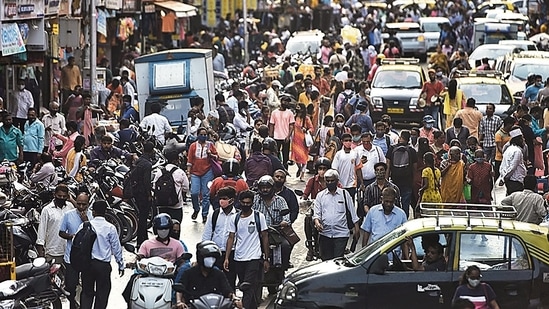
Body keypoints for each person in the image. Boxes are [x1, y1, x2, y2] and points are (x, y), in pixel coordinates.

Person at [224, 190, 270, 309]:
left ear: (252, 203)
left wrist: (266, 257)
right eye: (243, 203)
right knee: (246, 287)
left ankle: (244, 307)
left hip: (254, 257)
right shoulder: (235, 218)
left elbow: (265, 236)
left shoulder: (259, 217)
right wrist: (227, 258)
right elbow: (231, 238)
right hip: (239, 257)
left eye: (248, 203)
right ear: (240, 202)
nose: (246, 205)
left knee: (247, 285)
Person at [80, 200, 124, 309]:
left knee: (86, 292)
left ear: (93, 212)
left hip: (87, 265)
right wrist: (120, 264)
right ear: (105, 211)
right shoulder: (110, 228)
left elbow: (77, 244)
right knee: (102, 294)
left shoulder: (84, 226)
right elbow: (116, 248)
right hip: (103, 266)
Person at [175, 241, 239, 309]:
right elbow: (180, 290)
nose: (211, 260)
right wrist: (179, 302)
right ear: (200, 257)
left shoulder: (219, 274)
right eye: (208, 257)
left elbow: (228, 290)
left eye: (213, 257)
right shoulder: (189, 273)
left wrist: (235, 299)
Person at [313, 169, 359, 260]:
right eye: (328, 181)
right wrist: (317, 223)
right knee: (325, 261)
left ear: (337, 181)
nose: (330, 183)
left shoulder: (345, 194)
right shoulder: (320, 196)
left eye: (332, 180)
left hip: (341, 234)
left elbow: (353, 213)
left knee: (337, 261)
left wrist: (356, 229)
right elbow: (317, 214)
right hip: (325, 234)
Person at [59, 192, 92, 309]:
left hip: (87, 258)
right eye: (79, 204)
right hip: (71, 257)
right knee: (71, 285)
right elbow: (61, 232)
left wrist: (86, 221)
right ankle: (73, 305)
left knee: (87, 287)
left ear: (88, 204)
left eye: (84, 204)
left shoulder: (92, 216)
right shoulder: (68, 215)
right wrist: (72, 237)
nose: (81, 207)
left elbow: (94, 235)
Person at [202, 186, 238, 289]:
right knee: (212, 279)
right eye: (220, 198)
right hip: (215, 252)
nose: (222, 201)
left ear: (232, 200)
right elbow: (207, 234)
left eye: (225, 198)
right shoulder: (214, 214)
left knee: (230, 280)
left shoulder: (237, 215)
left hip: (232, 253)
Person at [37, 184, 75, 262]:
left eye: (64, 196)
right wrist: (41, 254)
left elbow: (82, 210)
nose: (61, 198)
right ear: (54, 195)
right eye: (59, 196)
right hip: (53, 251)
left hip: (69, 251)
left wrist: (72, 200)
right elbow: (41, 231)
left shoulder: (70, 207)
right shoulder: (47, 210)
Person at [187, 127, 218, 223]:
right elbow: (189, 161)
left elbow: (217, 157)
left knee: (206, 195)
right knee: (194, 193)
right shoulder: (193, 146)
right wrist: (188, 172)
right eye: (202, 134)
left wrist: (211, 155)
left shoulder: (210, 145)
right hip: (195, 173)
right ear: (198, 135)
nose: (203, 136)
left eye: (205, 135)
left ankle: (204, 214)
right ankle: (196, 208)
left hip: (207, 172)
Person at [386, 130, 418, 218]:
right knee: (405, 203)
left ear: (400, 138)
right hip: (407, 181)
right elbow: (415, 167)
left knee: (394, 201)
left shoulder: (392, 148)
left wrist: (386, 179)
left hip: (394, 180)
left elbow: (388, 165)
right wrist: (413, 180)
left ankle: (394, 219)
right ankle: (404, 219)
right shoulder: (411, 150)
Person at [153, 150, 188, 222]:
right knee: (176, 226)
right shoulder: (180, 172)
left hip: (161, 204)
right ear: (176, 160)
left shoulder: (160, 172)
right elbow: (186, 188)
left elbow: (154, 186)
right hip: (176, 205)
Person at [133, 142, 154, 247]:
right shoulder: (147, 164)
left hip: (136, 192)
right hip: (143, 194)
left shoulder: (138, 161)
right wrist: (149, 194)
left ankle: (141, 239)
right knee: (143, 217)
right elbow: (147, 181)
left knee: (141, 216)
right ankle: (142, 240)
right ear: (152, 151)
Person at [332, 133, 363, 203]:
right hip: (340, 184)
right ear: (342, 141)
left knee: (351, 203)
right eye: (346, 140)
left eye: (349, 140)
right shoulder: (338, 154)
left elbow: (358, 168)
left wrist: (361, 182)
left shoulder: (355, 153)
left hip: (352, 184)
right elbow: (334, 170)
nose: (348, 142)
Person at [269, 96, 295, 170]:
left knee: (285, 155)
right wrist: (271, 136)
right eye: (285, 101)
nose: (286, 103)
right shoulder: (274, 113)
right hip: (276, 137)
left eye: (287, 102)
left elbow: (291, 126)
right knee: (275, 154)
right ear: (281, 101)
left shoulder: (290, 113)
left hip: (285, 137)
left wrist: (288, 136)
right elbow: (272, 125)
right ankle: (276, 168)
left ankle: (285, 170)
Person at [499, 128, 527, 195]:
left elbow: (502, 166)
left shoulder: (508, 149)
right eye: (522, 138)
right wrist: (504, 178)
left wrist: (503, 177)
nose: (524, 140)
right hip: (515, 181)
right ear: (519, 140)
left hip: (511, 180)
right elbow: (512, 167)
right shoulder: (517, 151)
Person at [292, 103, 314, 181]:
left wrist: (307, 130)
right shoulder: (294, 117)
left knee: (304, 157)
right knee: (296, 157)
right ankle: (299, 168)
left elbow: (312, 128)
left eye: (299, 107)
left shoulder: (306, 119)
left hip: (304, 141)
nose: (297, 108)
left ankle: (302, 174)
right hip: (295, 140)